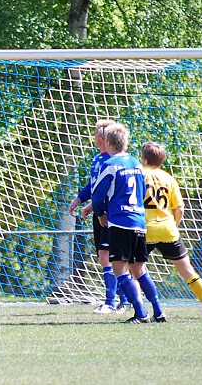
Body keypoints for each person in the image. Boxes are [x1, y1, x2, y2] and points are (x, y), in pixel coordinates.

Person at [141, 141, 202, 323]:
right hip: (168, 230)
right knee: (188, 271)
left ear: (144, 158)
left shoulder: (139, 174)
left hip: (145, 230)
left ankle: (141, 310)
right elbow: (180, 209)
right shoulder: (169, 178)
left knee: (135, 271)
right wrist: (173, 225)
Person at [91, 123, 164, 323]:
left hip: (120, 223)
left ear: (108, 142)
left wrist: (100, 213)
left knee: (120, 270)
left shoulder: (110, 165)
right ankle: (159, 310)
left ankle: (141, 314)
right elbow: (142, 191)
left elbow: (97, 197)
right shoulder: (136, 164)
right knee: (139, 270)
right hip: (139, 222)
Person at [69, 119, 129, 314]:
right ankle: (120, 300)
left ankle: (115, 301)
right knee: (105, 257)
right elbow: (93, 187)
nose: (94, 137)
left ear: (104, 138)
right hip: (100, 214)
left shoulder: (113, 162)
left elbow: (111, 191)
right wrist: (80, 200)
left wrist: (101, 211)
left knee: (109, 257)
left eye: (96, 134)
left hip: (110, 216)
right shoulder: (97, 159)